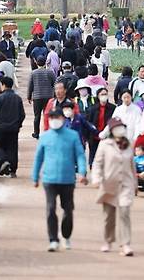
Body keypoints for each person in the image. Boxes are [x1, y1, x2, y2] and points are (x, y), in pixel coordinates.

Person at [32, 108, 88, 252]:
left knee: (68, 209)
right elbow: (39, 157)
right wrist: (35, 176)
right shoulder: (45, 137)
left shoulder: (73, 136)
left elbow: (80, 155)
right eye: (51, 118)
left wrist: (82, 172)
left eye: (57, 117)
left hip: (68, 179)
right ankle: (53, 239)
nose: (54, 120)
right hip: (49, 179)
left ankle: (66, 236)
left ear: (63, 119)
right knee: (50, 209)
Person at [91, 118, 136, 256]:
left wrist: (135, 183)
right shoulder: (105, 145)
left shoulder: (129, 145)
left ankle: (125, 244)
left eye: (121, 127)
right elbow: (97, 163)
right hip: (109, 183)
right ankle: (108, 240)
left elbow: (132, 165)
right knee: (109, 216)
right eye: (117, 128)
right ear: (111, 130)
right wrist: (97, 178)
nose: (120, 130)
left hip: (125, 184)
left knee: (124, 212)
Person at [0, 77, 25, 177]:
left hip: (1, 127)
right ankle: (13, 170)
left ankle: (4, 160)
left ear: (4, 85)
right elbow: (22, 114)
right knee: (13, 148)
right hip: (13, 128)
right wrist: (18, 124)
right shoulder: (17, 98)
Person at [27, 55, 56, 139]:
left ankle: (36, 133)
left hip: (37, 97)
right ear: (45, 62)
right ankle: (49, 131)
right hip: (48, 97)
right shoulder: (50, 72)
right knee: (48, 115)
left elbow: (30, 86)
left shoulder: (33, 73)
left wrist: (29, 96)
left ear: (36, 62)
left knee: (37, 116)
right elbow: (55, 83)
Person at [86, 88, 116, 167]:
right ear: (98, 96)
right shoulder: (92, 108)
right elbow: (88, 122)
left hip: (107, 136)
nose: (104, 96)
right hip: (94, 136)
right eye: (102, 94)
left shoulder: (113, 108)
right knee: (93, 155)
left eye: (105, 94)